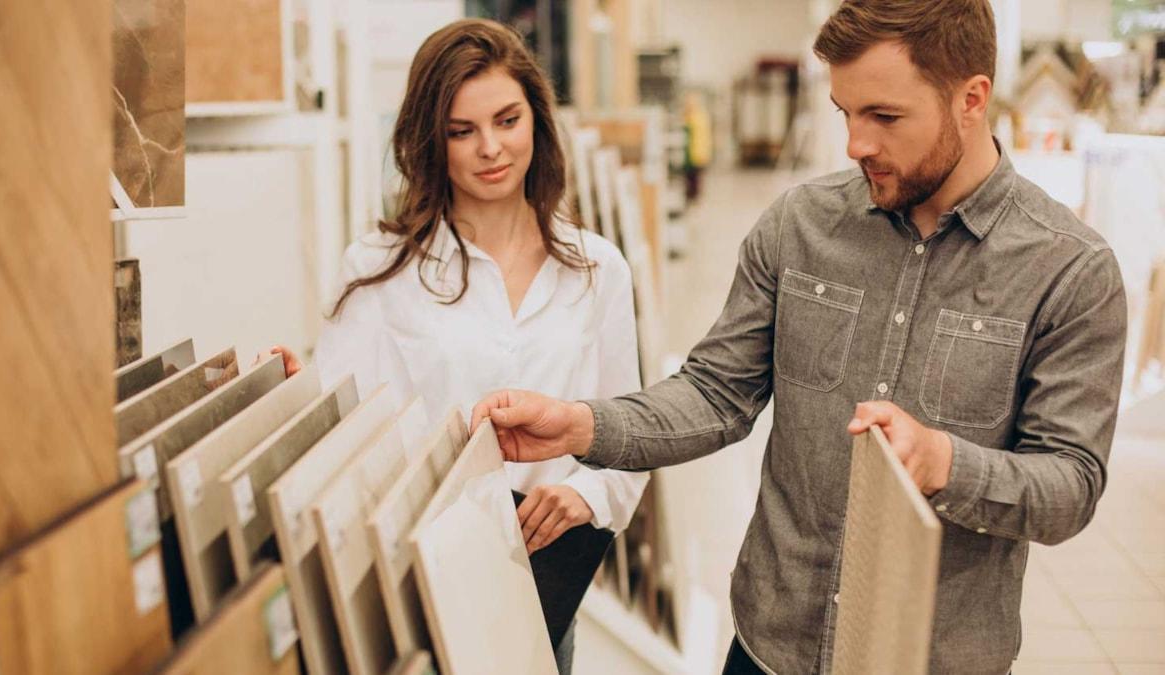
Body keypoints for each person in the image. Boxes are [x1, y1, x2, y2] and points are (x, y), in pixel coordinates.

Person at [471, 2, 1127, 674]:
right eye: (846, 113)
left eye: (884, 116)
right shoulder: (801, 225)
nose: (856, 144)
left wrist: (944, 463)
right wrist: (579, 425)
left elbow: (1070, 485)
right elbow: (716, 394)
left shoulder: (1069, 271)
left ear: (972, 99)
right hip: (770, 646)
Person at [264, 18, 647, 674]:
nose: (490, 148)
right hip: (422, 578)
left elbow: (631, 431)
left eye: (507, 120)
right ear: (429, 141)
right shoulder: (379, 268)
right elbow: (342, 429)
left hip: (541, 581)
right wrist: (295, 399)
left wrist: (589, 493)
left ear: (537, 120)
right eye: (461, 131)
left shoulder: (596, 268)